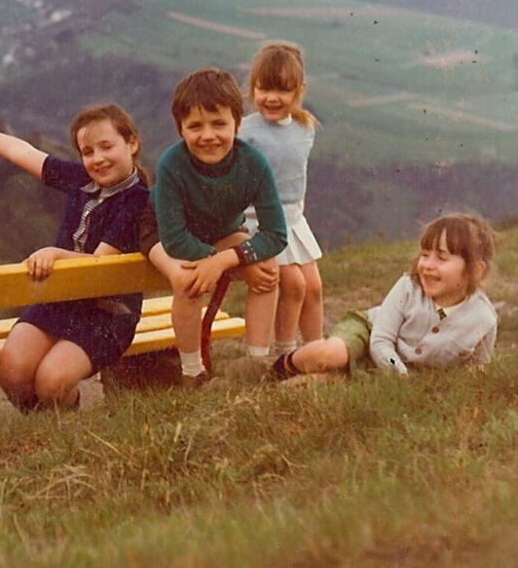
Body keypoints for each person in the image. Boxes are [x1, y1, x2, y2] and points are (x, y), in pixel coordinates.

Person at [0, 104, 150, 410]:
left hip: (108, 313)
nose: (97, 158)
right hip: (61, 299)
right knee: (12, 371)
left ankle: (63, 419)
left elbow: (101, 265)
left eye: (106, 147)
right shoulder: (82, 180)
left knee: (51, 382)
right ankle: (45, 424)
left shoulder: (138, 200)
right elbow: (25, 154)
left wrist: (55, 254)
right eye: (88, 152)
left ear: (132, 143)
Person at [143, 67, 287, 384]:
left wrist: (225, 261)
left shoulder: (253, 164)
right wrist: (217, 262)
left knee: (267, 269)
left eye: (219, 124)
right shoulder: (171, 164)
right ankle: (192, 371)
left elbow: (276, 234)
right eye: (195, 126)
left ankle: (257, 363)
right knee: (188, 281)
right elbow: (175, 238)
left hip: (219, 231)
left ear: (237, 123)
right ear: (181, 129)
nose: (208, 135)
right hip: (160, 233)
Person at [271, 213, 497, 380]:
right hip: (370, 334)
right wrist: (402, 377)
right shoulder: (409, 287)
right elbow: (380, 340)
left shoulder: (484, 319)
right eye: (425, 255)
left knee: (326, 382)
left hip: (391, 369)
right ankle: (278, 367)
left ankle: (326, 377)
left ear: (475, 270)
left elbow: (476, 370)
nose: (427, 265)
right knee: (329, 355)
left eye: (442, 258)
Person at [240, 41, 323, 353]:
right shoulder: (245, 132)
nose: (271, 98)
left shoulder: (304, 127)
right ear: (253, 88)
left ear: (299, 90)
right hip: (260, 222)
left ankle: (316, 350)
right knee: (294, 284)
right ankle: (286, 354)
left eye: (283, 90)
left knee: (313, 287)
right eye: (264, 88)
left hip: (293, 220)